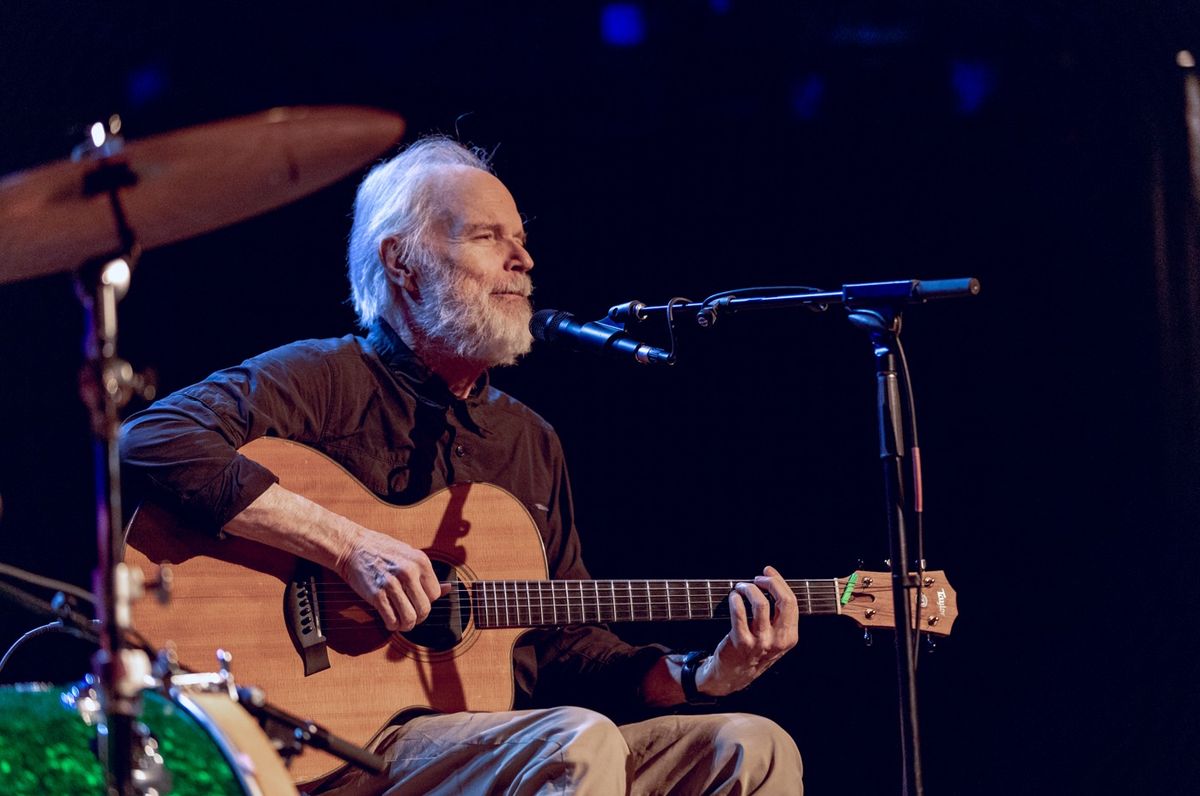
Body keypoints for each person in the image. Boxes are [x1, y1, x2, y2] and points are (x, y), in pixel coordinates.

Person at [120, 137, 803, 794]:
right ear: (402, 262)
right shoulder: (324, 380)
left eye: (521, 240)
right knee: (575, 740)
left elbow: (568, 649)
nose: (523, 260)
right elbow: (153, 437)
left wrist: (698, 675)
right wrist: (347, 545)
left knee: (750, 745)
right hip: (335, 746)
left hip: (496, 749)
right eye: (487, 237)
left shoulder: (529, 440)